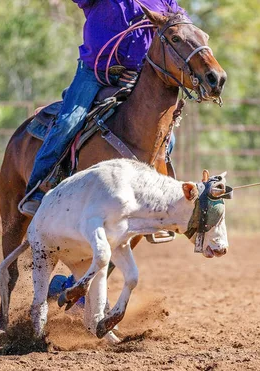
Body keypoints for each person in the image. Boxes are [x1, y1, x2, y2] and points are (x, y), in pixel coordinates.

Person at [19, 0, 187, 217]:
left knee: (166, 137)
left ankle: (159, 200)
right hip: (94, 73)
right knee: (70, 121)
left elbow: (181, 23)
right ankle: (38, 189)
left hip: (137, 75)